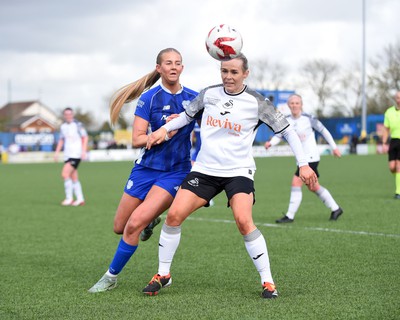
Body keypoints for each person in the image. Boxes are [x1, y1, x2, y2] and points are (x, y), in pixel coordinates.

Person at [143, 54, 318, 299]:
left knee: (244, 222)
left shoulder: (257, 102)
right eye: (224, 71)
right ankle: (163, 274)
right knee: (173, 215)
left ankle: (267, 281)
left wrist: (304, 164)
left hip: (238, 172)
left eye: (234, 72)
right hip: (204, 170)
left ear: (245, 73)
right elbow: (186, 117)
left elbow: (287, 131)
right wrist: (162, 130)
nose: (228, 76)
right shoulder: (209, 94)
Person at [88, 48, 199, 293]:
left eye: (178, 63)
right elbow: (137, 139)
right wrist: (160, 133)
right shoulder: (149, 98)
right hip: (144, 170)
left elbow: (210, 130)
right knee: (120, 226)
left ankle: (110, 277)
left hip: (174, 172)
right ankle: (151, 220)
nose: (173, 67)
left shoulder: (194, 98)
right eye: (168, 63)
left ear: (182, 68)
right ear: (158, 68)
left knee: (133, 224)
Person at [265, 94, 343, 223]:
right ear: (288, 105)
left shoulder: (309, 118)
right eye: (292, 103)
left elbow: (324, 131)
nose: (294, 105)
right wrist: (270, 143)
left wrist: (334, 147)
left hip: (311, 157)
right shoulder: (286, 120)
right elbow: (279, 135)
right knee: (313, 187)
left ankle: (290, 216)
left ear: (301, 105)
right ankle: (336, 208)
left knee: (296, 183)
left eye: (297, 103)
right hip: (301, 159)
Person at [54, 107, 88, 206]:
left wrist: (83, 151)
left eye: (70, 114)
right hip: (67, 154)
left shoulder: (78, 125)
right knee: (74, 177)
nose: (68, 116)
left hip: (75, 154)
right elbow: (61, 140)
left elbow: (85, 137)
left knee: (65, 174)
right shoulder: (63, 126)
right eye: (66, 114)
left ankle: (69, 198)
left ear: (72, 115)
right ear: (64, 116)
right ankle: (80, 199)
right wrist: (56, 152)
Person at [382, 91, 400, 199]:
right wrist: (384, 143)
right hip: (393, 141)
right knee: (392, 167)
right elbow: (386, 129)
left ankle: (398, 192)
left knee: (399, 166)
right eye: (397, 97)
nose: (399, 99)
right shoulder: (389, 112)